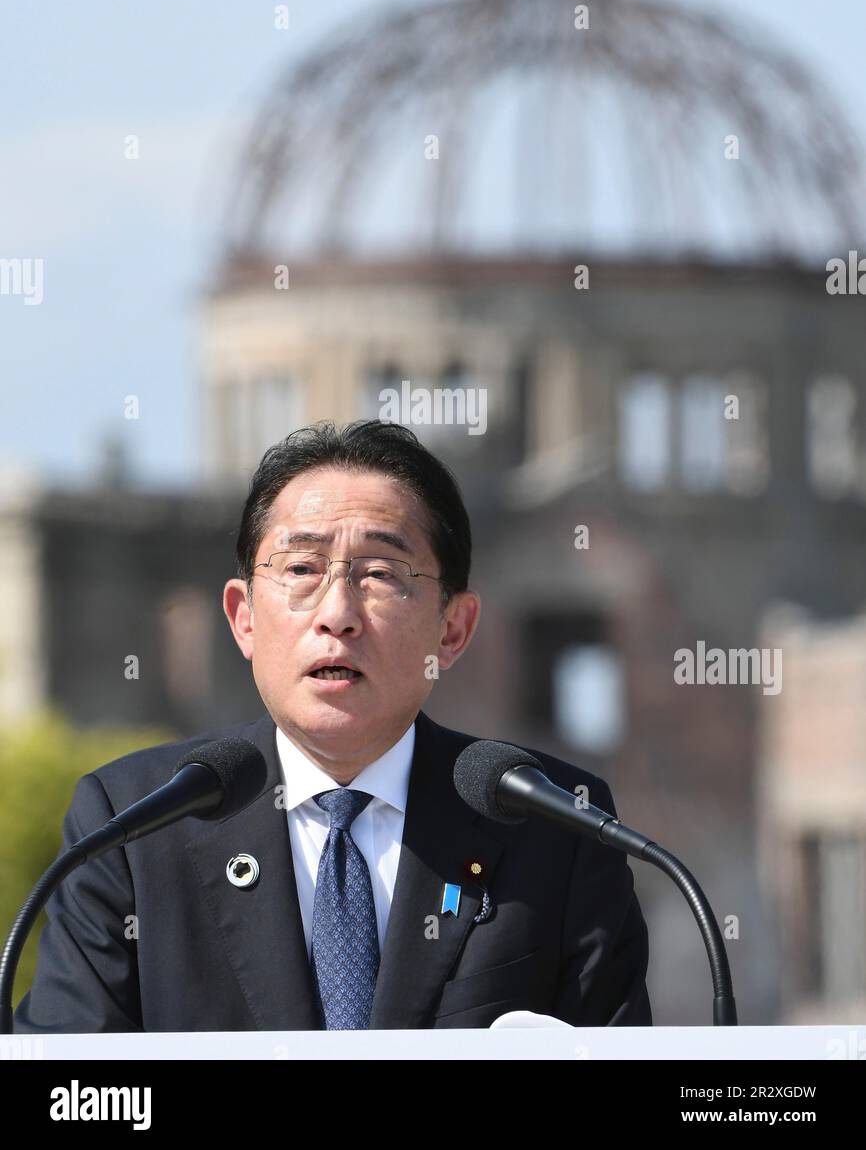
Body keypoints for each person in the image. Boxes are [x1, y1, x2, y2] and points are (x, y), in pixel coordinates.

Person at [14, 419, 651, 1032]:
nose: (338, 614)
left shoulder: (555, 826)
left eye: (380, 573)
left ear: (452, 628)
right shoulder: (134, 824)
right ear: (243, 619)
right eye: (301, 570)